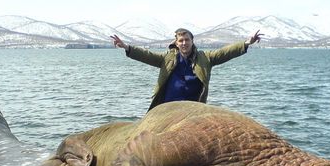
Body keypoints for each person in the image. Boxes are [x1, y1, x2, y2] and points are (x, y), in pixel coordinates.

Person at [110, 28, 262, 111]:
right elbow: (146, 55)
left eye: (187, 40)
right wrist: (127, 47)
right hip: (167, 107)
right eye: (181, 40)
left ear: (192, 41)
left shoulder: (205, 58)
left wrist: (246, 43)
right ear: (176, 43)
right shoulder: (167, 59)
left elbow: (225, 52)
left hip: (193, 108)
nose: (184, 43)